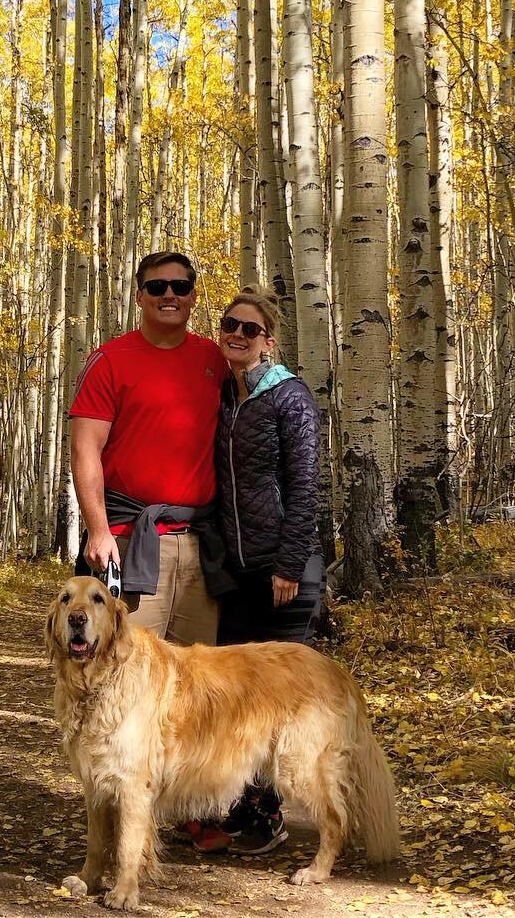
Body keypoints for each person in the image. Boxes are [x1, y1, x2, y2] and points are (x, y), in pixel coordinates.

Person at [191, 287, 323, 855]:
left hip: (284, 571)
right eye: (229, 326)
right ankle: (243, 810)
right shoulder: (226, 396)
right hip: (238, 573)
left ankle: (273, 816)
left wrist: (289, 563)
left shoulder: (289, 398)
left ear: (269, 340)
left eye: (250, 329)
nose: (237, 336)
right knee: (237, 698)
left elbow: (306, 486)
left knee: (277, 701)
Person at [68, 251, 233, 644]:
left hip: (200, 546)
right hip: (129, 541)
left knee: (194, 680)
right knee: (125, 672)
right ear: (140, 296)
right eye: (157, 287)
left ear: (193, 297)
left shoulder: (214, 358)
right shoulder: (109, 361)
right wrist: (98, 530)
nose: (169, 295)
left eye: (181, 286)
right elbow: (84, 451)